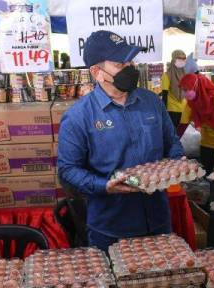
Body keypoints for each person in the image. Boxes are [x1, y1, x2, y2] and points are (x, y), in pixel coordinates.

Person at [57, 31, 184, 251]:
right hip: (111, 230)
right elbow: (68, 170)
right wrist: (104, 186)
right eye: (119, 63)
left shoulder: (151, 102)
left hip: (159, 222)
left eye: (130, 61)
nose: (129, 68)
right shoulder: (79, 116)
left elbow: (171, 142)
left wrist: (177, 163)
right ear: (97, 72)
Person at [177, 73, 214, 213]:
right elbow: (182, 126)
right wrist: (173, 144)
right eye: (183, 90)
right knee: (203, 173)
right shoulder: (190, 103)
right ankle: (204, 203)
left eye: (187, 90)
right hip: (208, 141)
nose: (185, 93)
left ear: (196, 87)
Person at [161, 50, 187, 128]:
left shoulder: (185, 74)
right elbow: (164, 94)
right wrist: (164, 112)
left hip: (184, 109)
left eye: (183, 59)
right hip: (172, 110)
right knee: (174, 132)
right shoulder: (167, 75)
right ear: (173, 60)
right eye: (179, 58)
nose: (181, 61)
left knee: (182, 133)